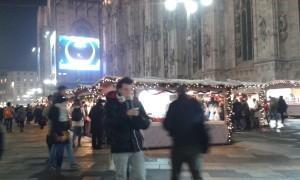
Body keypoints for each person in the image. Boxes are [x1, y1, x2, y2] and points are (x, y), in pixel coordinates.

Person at [105, 77, 150, 180]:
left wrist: (138, 117)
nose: (129, 92)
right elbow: (108, 123)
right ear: (119, 90)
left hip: (136, 146)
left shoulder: (136, 102)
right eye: (126, 89)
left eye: (131, 89)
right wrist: (125, 114)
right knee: (121, 176)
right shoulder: (111, 104)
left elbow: (145, 123)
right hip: (120, 146)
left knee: (140, 175)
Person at [164, 86, 208, 180]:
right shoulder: (195, 104)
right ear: (186, 92)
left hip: (178, 145)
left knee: (175, 174)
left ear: (177, 93)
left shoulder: (174, 105)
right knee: (196, 174)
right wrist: (204, 145)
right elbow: (202, 124)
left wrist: (173, 131)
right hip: (194, 146)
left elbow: (167, 125)